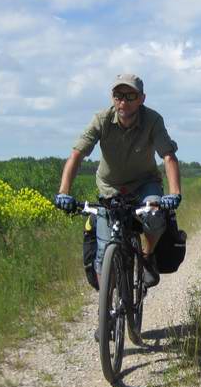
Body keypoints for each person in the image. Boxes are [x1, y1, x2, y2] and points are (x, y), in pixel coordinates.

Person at [54, 73, 182, 291]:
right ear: (112, 98)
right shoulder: (101, 120)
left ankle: (147, 256)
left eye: (130, 96)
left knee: (153, 215)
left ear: (142, 98)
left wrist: (174, 193)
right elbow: (76, 155)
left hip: (145, 183)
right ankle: (106, 314)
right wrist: (63, 192)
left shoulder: (153, 120)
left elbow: (168, 157)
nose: (123, 101)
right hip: (110, 187)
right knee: (104, 251)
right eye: (118, 95)